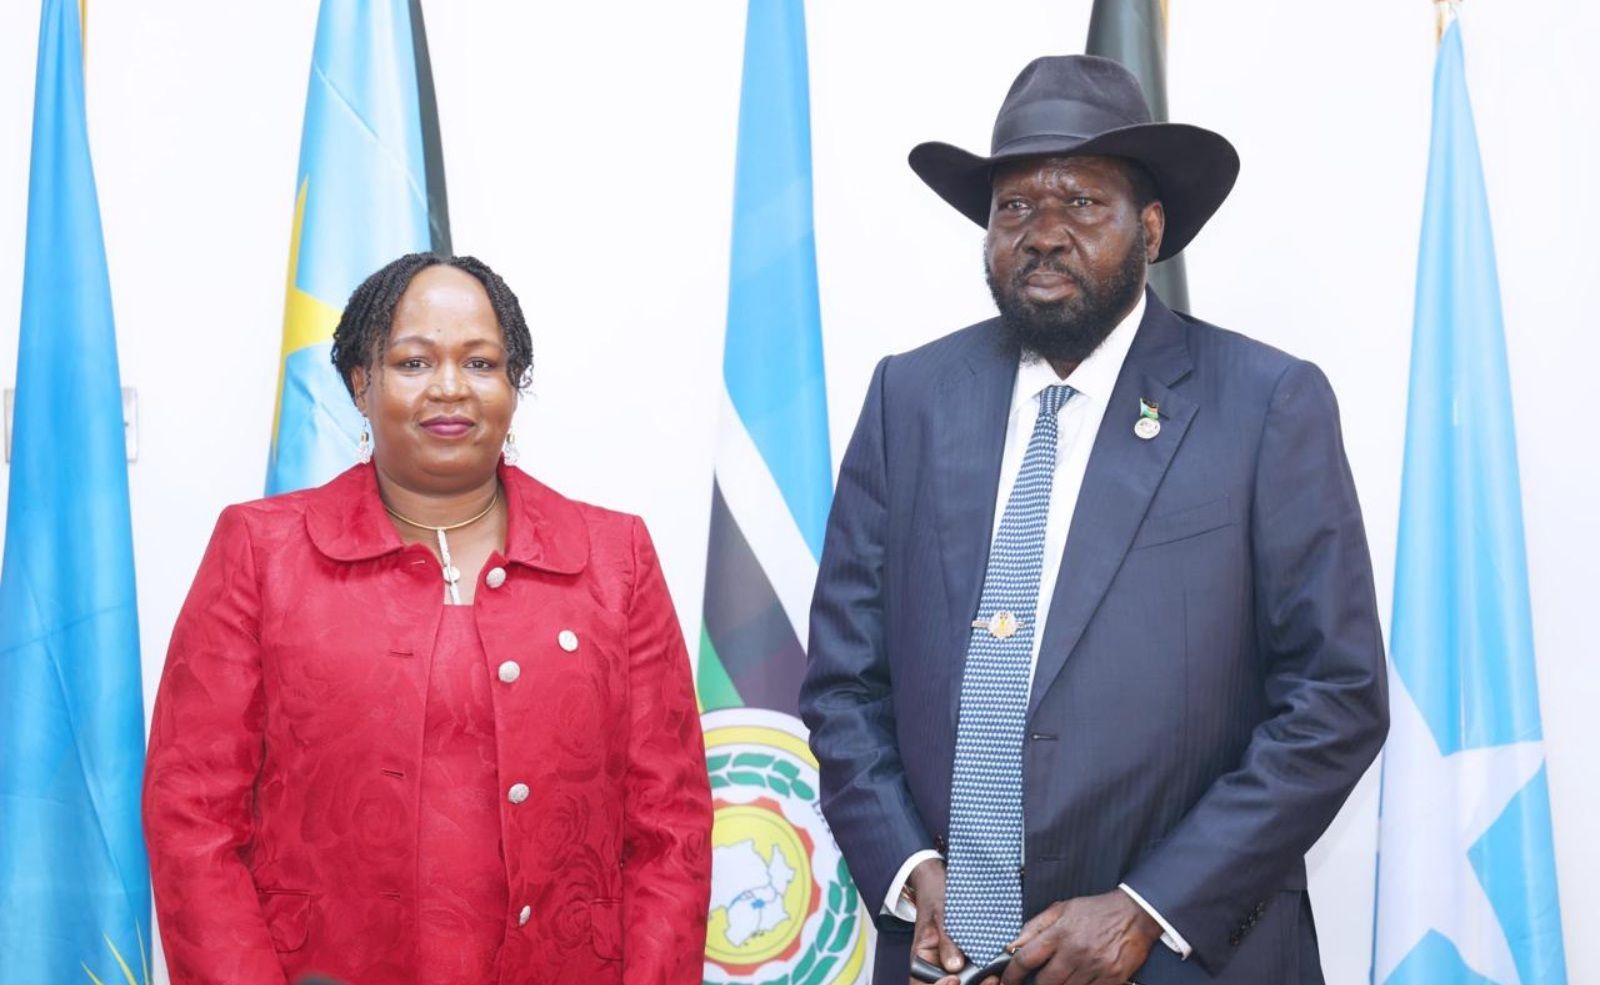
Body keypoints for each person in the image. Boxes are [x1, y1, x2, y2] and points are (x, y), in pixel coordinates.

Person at [800, 56, 1388, 985]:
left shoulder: (1267, 404)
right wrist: (912, 868)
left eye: (1081, 204)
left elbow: (1336, 697)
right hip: (944, 958)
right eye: (1015, 208)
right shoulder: (908, 398)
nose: (1042, 234)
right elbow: (842, 683)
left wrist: (1149, 906)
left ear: (1149, 230)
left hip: (1181, 958)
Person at [143, 254, 712, 985]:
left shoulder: (613, 558)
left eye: (481, 362)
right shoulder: (262, 551)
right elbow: (193, 817)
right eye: (414, 361)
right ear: (361, 384)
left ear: (514, 386)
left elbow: (672, 827)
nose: (450, 387)